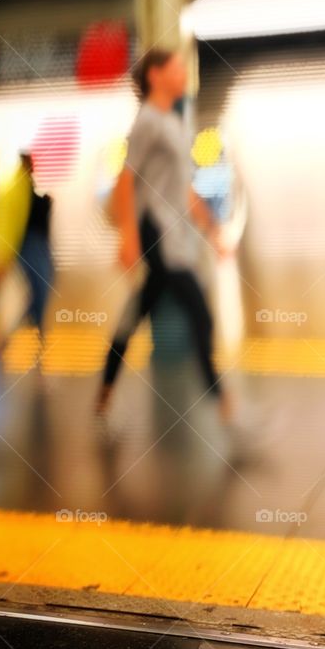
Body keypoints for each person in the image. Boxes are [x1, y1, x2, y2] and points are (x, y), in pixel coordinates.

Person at [97, 48, 231, 422]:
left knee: (132, 317)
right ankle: (226, 408)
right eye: (175, 69)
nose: (183, 74)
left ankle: (103, 401)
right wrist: (128, 239)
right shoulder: (148, 122)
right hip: (155, 236)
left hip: (173, 239)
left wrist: (213, 230)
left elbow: (183, 189)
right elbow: (126, 181)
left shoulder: (172, 124)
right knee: (200, 315)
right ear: (155, 76)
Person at [17, 151, 54, 335]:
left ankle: (38, 329)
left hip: (38, 244)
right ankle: (39, 330)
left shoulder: (28, 187)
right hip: (31, 244)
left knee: (40, 290)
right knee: (40, 289)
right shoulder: (19, 188)